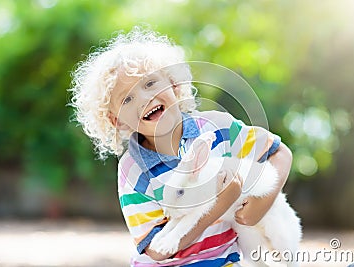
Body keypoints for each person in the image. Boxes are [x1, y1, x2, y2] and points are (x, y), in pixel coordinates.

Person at [69, 27, 293, 267]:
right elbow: (156, 249)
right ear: (117, 121)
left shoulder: (218, 128)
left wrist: (262, 203)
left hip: (225, 260)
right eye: (127, 99)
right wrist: (221, 203)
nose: (144, 99)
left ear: (174, 84)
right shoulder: (132, 170)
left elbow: (279, 153)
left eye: (151, 83)